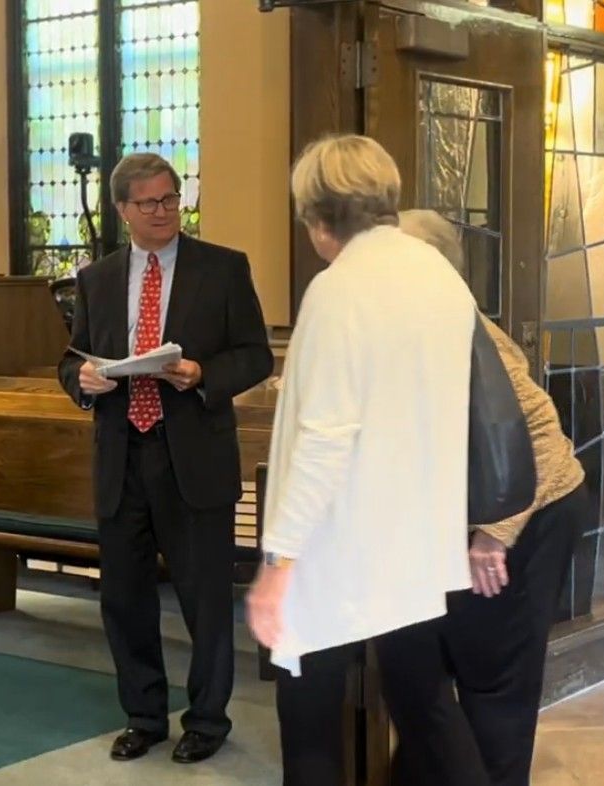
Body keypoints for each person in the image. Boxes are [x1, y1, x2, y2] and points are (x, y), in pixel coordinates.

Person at [247, 135, 490, 786]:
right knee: (426, 707)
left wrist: (278, 563)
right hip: (417, 537)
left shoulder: (340, 289)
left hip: (340, 543)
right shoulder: (439, 274)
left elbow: (324, 440)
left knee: (309, 721)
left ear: (316, 218)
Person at [57, 152, 273, 764]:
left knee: (204, 596)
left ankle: (207, 719)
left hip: (193, 457)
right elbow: (71, 358)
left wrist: (203, 373)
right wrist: (85, 379)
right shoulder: (97, 278)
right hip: (121, 454)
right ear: (122, 209)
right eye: (149, 203)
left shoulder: (223, 269)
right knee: (124, 598)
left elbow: (255, 355)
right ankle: (144, 715)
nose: (163, 212)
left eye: (171, 199)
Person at [395, 209, 592, 786]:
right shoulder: (412, 322)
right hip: (475, 520)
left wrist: (494, 534)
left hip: (530, 516)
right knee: (428, 675)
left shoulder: (457, 324)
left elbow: (535, 430)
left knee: (495, 685)